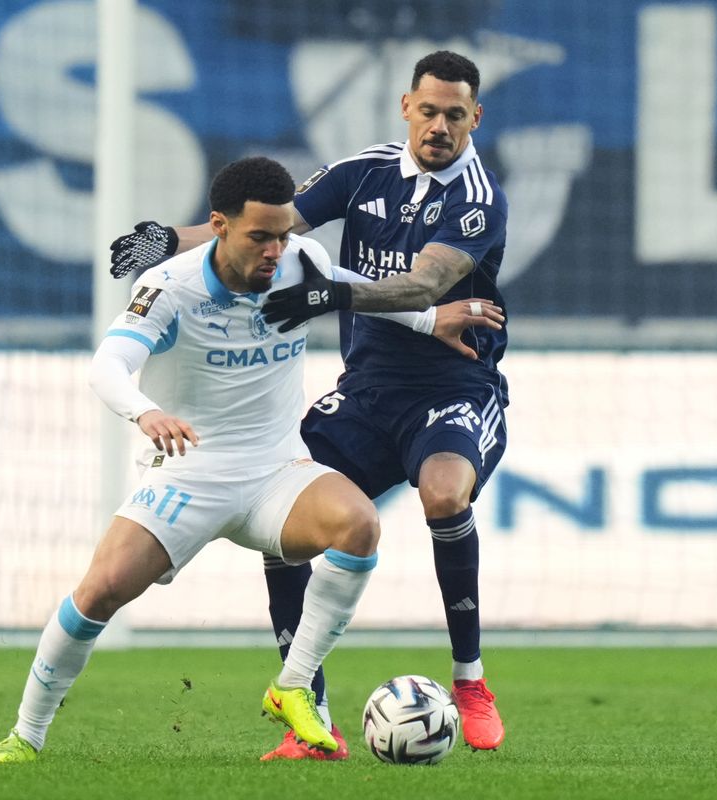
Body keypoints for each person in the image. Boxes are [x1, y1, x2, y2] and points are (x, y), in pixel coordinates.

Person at [0, 156, 503, 763]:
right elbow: (107, 365)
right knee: (99, 594)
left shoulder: (300, 264)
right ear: (219, 226)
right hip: (192, 472)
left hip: (277, 471)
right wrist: (146, 413)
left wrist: (432, 317)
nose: (277, 251)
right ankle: (26, 736)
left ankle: (292, 688)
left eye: (283, 235)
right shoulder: (170, 286)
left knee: (359, 527)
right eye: (260, 237)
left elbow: (352, 287)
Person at [109, 50, 509, 757]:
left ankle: (471, 680)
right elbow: (264, 223)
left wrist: (329, 293)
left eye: (455, 114)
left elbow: (421, 287)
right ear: (405, 107)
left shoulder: (479, 200)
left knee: (445, 496)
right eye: (428, 110)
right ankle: (308, 709)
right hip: (364, 392)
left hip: (453, 390)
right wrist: (168, 239)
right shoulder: (364, 171)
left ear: (475, 118)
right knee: (283, 503)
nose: (439, 125)